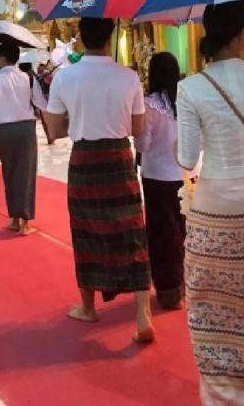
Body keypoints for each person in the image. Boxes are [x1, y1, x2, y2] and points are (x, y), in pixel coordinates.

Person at [176, 0, 244, 406]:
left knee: (211, 311)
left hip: (212, 214)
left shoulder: (191, 88)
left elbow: (187, 159)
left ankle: (220, 397)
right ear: (242, 34)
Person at [46, 18, 154, 343]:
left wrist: (80, 118)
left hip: (84, 161)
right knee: (132, 230)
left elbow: (53, 130)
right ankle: (142, 313)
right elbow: (136, 129)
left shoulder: (63, 78)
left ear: (80, 39)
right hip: (120, 158)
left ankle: (88, 306)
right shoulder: (129, 76)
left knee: (86, 231)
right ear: (110, 37)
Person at [134, 52, 191, 310]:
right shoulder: (183, 102)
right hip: (183, 176)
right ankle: (185, 285)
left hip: (156, 178)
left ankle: (169, 290)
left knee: (162, 236)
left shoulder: (149, 106)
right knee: (182, 232)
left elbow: (143, 144)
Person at [0, 43, 41, 236]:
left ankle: (14, 218)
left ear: (2, 58)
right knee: (26, 173)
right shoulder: (28, 78)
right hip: (26, 129)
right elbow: (40, 103)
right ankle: (25, 223)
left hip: (4, 130)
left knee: (9, 173)